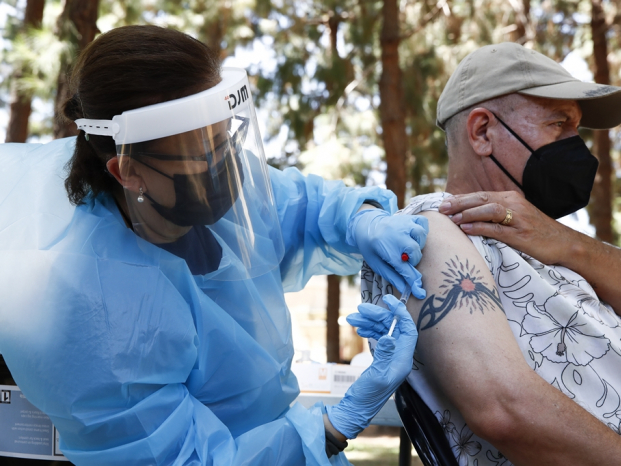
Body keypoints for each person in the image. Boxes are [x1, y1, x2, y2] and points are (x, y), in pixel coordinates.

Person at [0, 25, 429, 465]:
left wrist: (364, 220)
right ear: (127, 172)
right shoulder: (87, 311)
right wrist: (335, 425)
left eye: (224, 141)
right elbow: (180, 459)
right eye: (201, 156)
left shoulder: (201, 185)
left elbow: (303, 207)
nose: (226, 166)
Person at [358, 42, 621, 465]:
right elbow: (505, 408)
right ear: (483, 132)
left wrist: (566, 242)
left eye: (578, 130)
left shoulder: (557, 243)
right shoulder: (430, 229)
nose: (578, 148)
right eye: (559, 124)